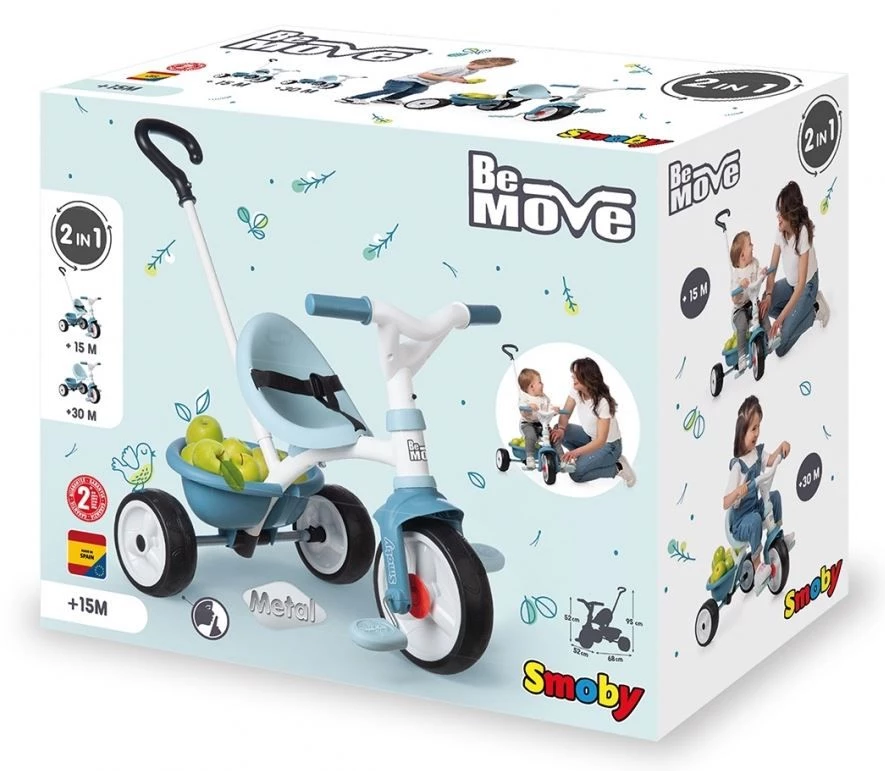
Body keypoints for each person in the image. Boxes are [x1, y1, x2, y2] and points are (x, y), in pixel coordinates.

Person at [722, 396, 794, 589]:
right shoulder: (738, 467)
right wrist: (738, 491)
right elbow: (725, 502)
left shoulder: (757, 453)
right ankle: (757, 564)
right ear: (742, 432)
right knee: (754, 519)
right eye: (753, 429)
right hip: (740, 522)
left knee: (775, 497)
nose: (757, 433)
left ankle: (778, 539)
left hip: (754, 508)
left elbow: (770, 460)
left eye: (758, 427)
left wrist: (782, 448)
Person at [759, 181, 830, 357]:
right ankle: (797, 314)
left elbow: (800, 285)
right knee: (765, 305)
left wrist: (780, 319)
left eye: (781, 213)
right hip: (791, 285)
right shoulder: (780, 231)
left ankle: (815, 309)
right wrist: (769, 295)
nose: (778, 217)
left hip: (806, 286)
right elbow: (772, 268)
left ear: (791, 214)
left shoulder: (803, 233)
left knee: (780, 348)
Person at [550, 358, 636, 487]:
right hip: (591, 438)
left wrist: (576, 452)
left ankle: (618, 467)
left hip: (609, 446)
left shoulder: (602, 402)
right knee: (560, 430)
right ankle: (588, 459)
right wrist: (561, 429)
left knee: (576, 473)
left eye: (576, 374)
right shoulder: (576, 391)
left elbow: (601, 441)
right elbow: (565, 414)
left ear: (587, 377)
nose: (572, 377)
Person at [335, 57, 516, 104]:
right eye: (485, 67)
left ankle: (386, 100)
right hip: (401, 81)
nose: (487, 69)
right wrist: (451, 78)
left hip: (419, 84)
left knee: (420, 90)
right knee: (396, 89)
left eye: (490, 68)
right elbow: (424, 74)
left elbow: (451, 78)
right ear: (474, 62)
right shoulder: (457, 67)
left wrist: (464, 81)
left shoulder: (470, 71)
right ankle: (353, 98)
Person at [516, 368, 570, 471]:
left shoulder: (544, 397)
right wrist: (529, 407)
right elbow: (522, 409)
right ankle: (530, 458)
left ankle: (562, 460)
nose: (543, 384)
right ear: (532, 386)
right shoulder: (524, 398)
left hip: (543, 424)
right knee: (531, 436)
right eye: (540, 382)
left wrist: (554, 410)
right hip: (528, 424)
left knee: (554, 438)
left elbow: (549, 407)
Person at [728, 230, 767, 371]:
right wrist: (740, 287)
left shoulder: (754, 263)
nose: (753, 245)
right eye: (750, 244)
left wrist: (762, 273)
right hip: (740, 310)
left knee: (762, 310)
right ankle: (741, 355)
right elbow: (734, 298)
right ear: (742, 256)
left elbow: (758, 273)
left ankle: (770, 336)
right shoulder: (736, 275)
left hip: (753, 303)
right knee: (742, 323)